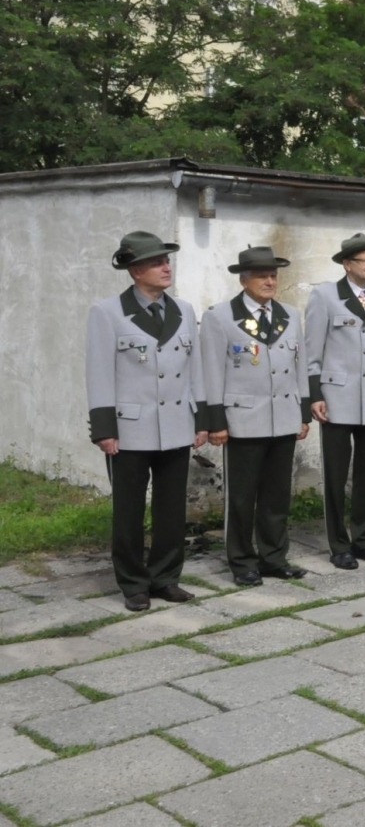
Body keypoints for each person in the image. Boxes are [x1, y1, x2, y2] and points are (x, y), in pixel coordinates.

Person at [85, 231, 206, 611]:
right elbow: (99, 372)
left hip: (175, 424)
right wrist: (105, 429)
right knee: (129, 511)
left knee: (172, 510)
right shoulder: (107, 312)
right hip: (130, 428)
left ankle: (166, 577)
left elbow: (195, 369)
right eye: (157, 262)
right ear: (135, 271)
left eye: (167, 260)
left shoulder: (183, 310)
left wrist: (200, 419)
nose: (165, 267)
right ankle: (134, 583)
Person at [200, 245, 311, 586]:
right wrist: (215, 422)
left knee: (277, 496)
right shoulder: (220, 316)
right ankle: (242, 561)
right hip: (243, 420)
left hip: (284, 417)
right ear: (244, 280)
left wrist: (303, 412)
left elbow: (300, 366)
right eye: (262, 275)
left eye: (273, 275)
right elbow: (211, 372)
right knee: (242, 497)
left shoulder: (290, 315)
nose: (269, 281)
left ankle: (274, 557)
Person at [304, 233, 365, 570]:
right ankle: (338, 544)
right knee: (336, 476)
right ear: (347, 264)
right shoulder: (325, 296)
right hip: (336, 397)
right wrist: (315, 395)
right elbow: (312, 352)